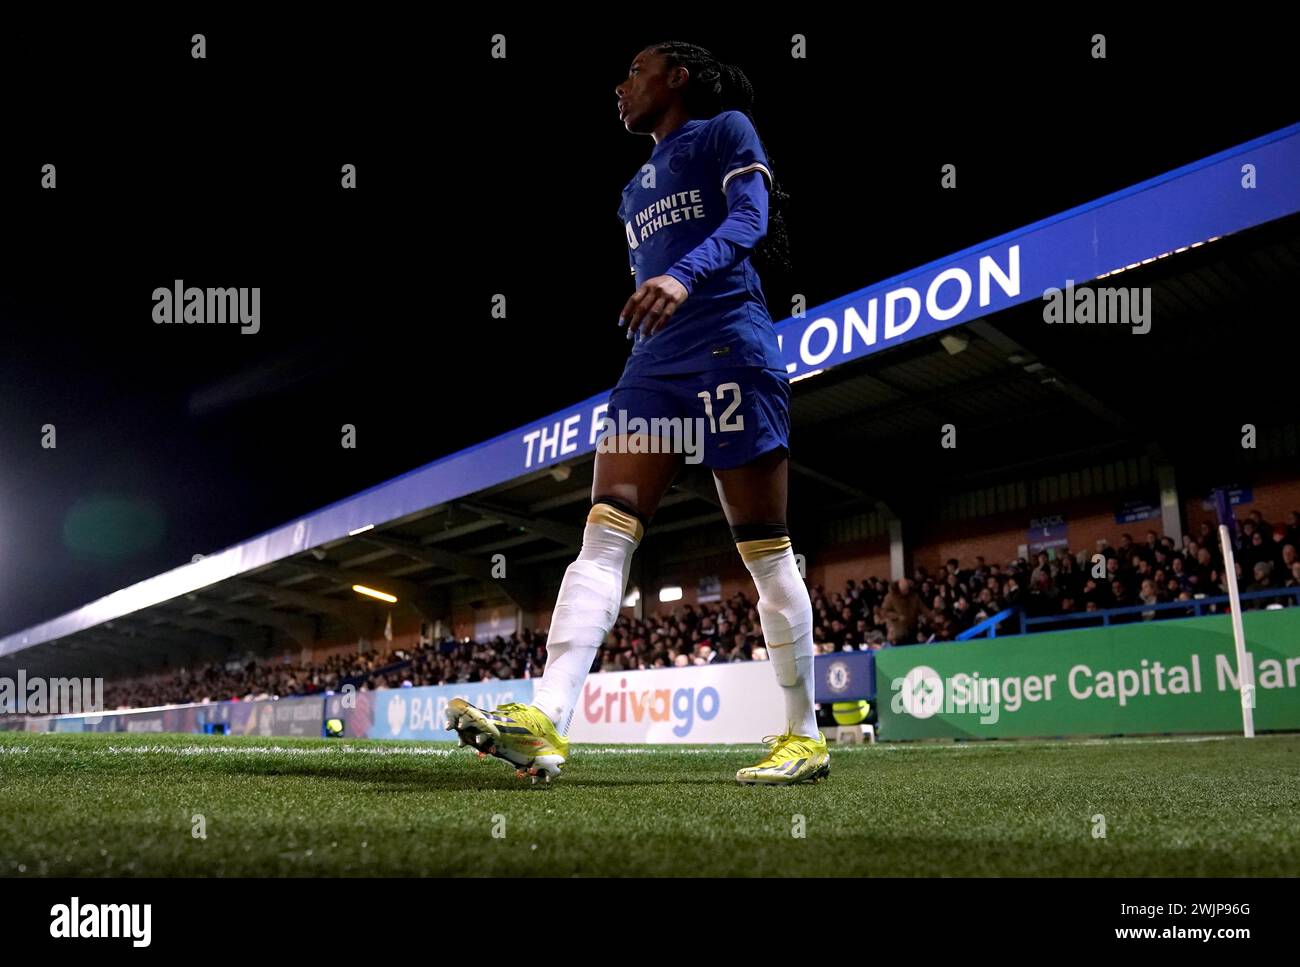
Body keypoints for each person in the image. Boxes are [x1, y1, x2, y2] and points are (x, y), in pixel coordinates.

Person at [445, 41, 827, 787]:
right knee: (606, 521)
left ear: (676, 75)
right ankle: (546, 717)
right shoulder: (629, 191)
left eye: (632, 71)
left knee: (764, 547)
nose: (619, 87)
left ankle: (804, 733)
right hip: (655, 366)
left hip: (729, 344)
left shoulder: (726, 130)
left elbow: (750, 220)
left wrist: (681, 279)